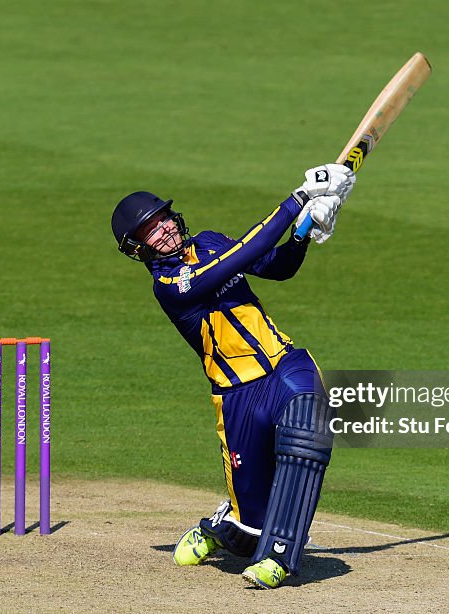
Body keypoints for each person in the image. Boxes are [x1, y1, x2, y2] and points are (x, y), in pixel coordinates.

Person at [110, 164, 355, 589]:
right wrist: (298, 199)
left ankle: (279, 559)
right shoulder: (170, 284)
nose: (165, 229)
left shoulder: (208, 242)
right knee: (247, 533)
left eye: (164, 218)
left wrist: (303, 233)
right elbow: (241, 255)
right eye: (151, 229)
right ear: (138, 248)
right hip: (237, 396)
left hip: (283, 365)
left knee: (308, 438)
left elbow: (276, 266)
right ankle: (223, 528)